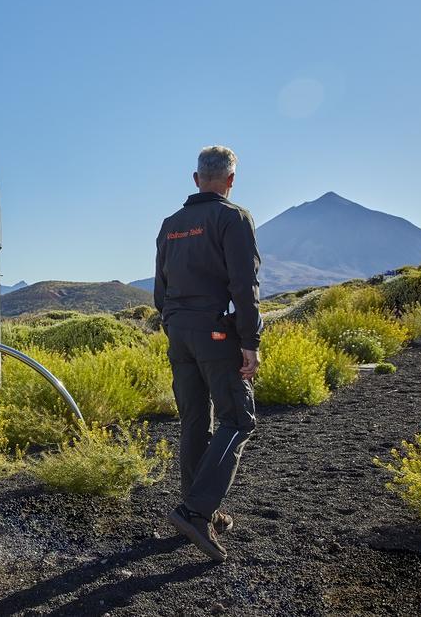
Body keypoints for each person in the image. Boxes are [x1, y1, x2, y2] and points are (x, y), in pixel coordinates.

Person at [153, 145, 262, 563]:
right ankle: (196, 510)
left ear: (196, 178)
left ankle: (200, 509)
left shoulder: (171, 224)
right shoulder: (232, 218)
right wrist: (249, 342)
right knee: (238, 417)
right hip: (216, 332)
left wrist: (174, 322)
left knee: (196, 420)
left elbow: (161, 289)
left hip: (178, 331)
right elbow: (244, 286)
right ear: (230, 181)